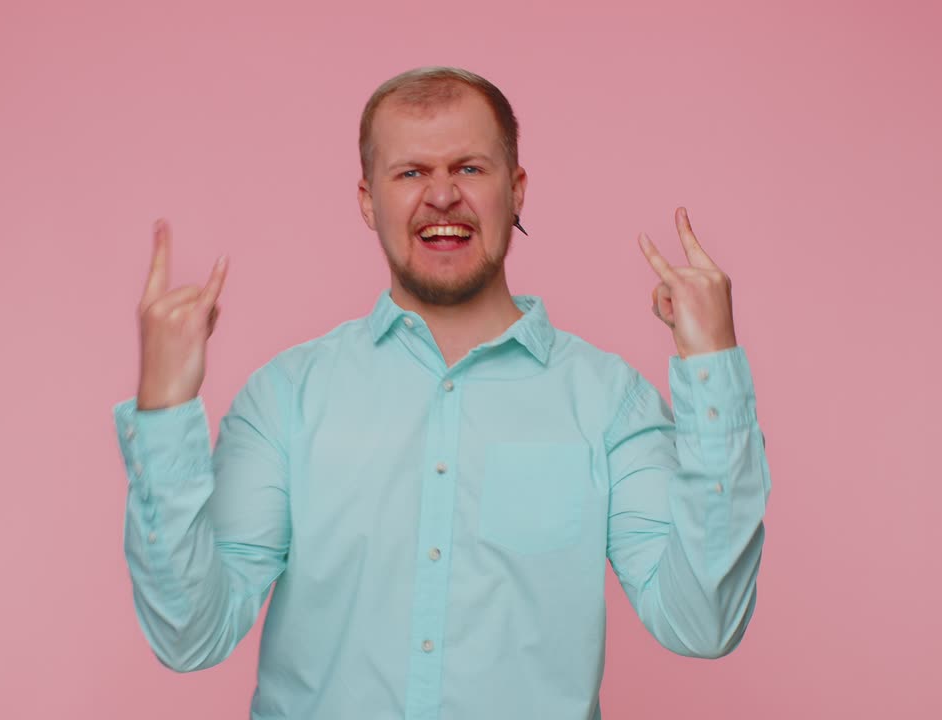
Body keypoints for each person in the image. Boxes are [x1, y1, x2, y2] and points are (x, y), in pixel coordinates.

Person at [112, 66, 771, 720]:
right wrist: (164, 410)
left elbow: (703, 623)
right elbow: (189, 635)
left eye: (470, 168)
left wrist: (713, 364)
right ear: (368, 200)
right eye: (410, 173)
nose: (442, 196)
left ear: (516, 191)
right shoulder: (286, 399)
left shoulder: (609, 403)